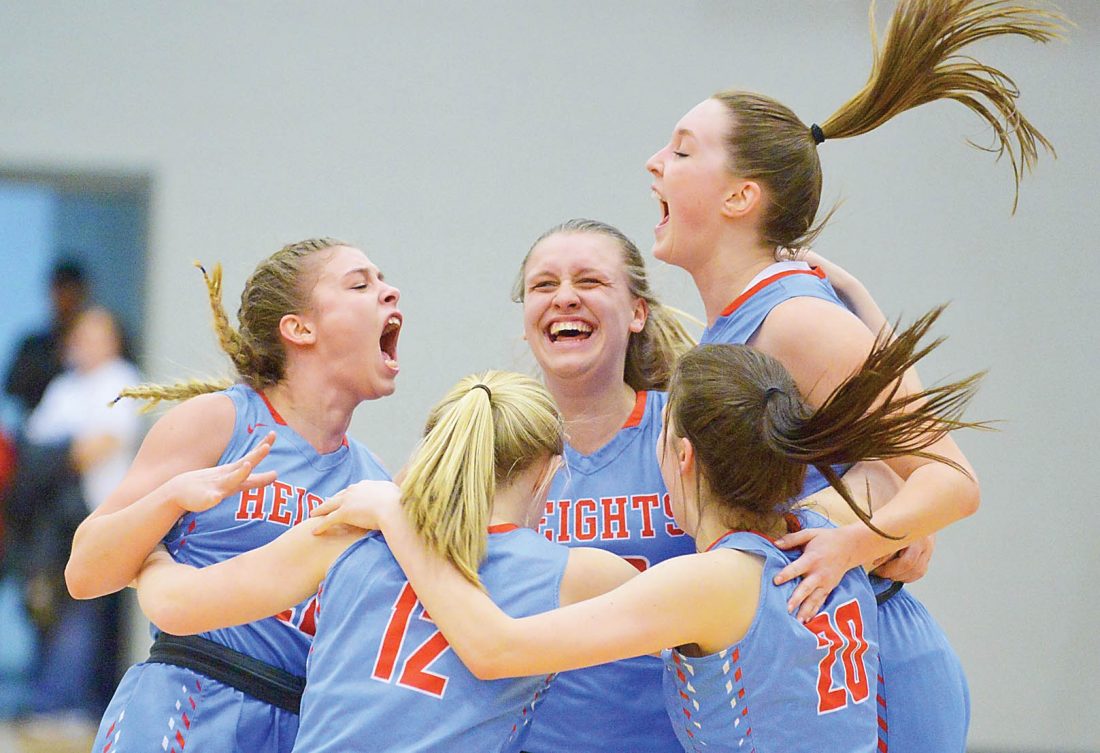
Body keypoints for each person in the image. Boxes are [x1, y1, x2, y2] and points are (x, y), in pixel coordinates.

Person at [643, 1, 1062, 749]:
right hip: (816, 670)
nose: (654, 163)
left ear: (740, 196)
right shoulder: (740, 323)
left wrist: (853, 544)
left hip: (876, 672)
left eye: (680, 151)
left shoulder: (794, 320)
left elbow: (951, 480)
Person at [319, 308, 983, 753]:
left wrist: (397, 517)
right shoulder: (833, 532)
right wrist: (839, 292)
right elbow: (912, 475)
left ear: (682, 456)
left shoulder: (712, 583)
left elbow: (494, 648)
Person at [134, 370, 641, 753]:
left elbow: (175, 606)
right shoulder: (578, 576)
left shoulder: (349, 529)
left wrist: (152, 555)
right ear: (549, 474)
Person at [64, 238, 401, 753]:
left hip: (299, 723)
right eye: (360, 284)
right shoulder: (222, 421)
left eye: (382, 280)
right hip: (188, 703)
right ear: (299, 328)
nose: (389, 292)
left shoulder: (374, 483)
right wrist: (171, 497)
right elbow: (85, 572)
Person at [514, 218, 696, 752]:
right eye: (543, 285)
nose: (565, 297)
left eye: (590, 281)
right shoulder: (494, 443)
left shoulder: (685, 429)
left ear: (637, 312)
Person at [3, 258, 89, 420]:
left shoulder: (101, 346)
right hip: (37, 430)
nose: (66, 300)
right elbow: (12, 389)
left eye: (71, 292)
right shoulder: (32, 346)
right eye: (60, 291)